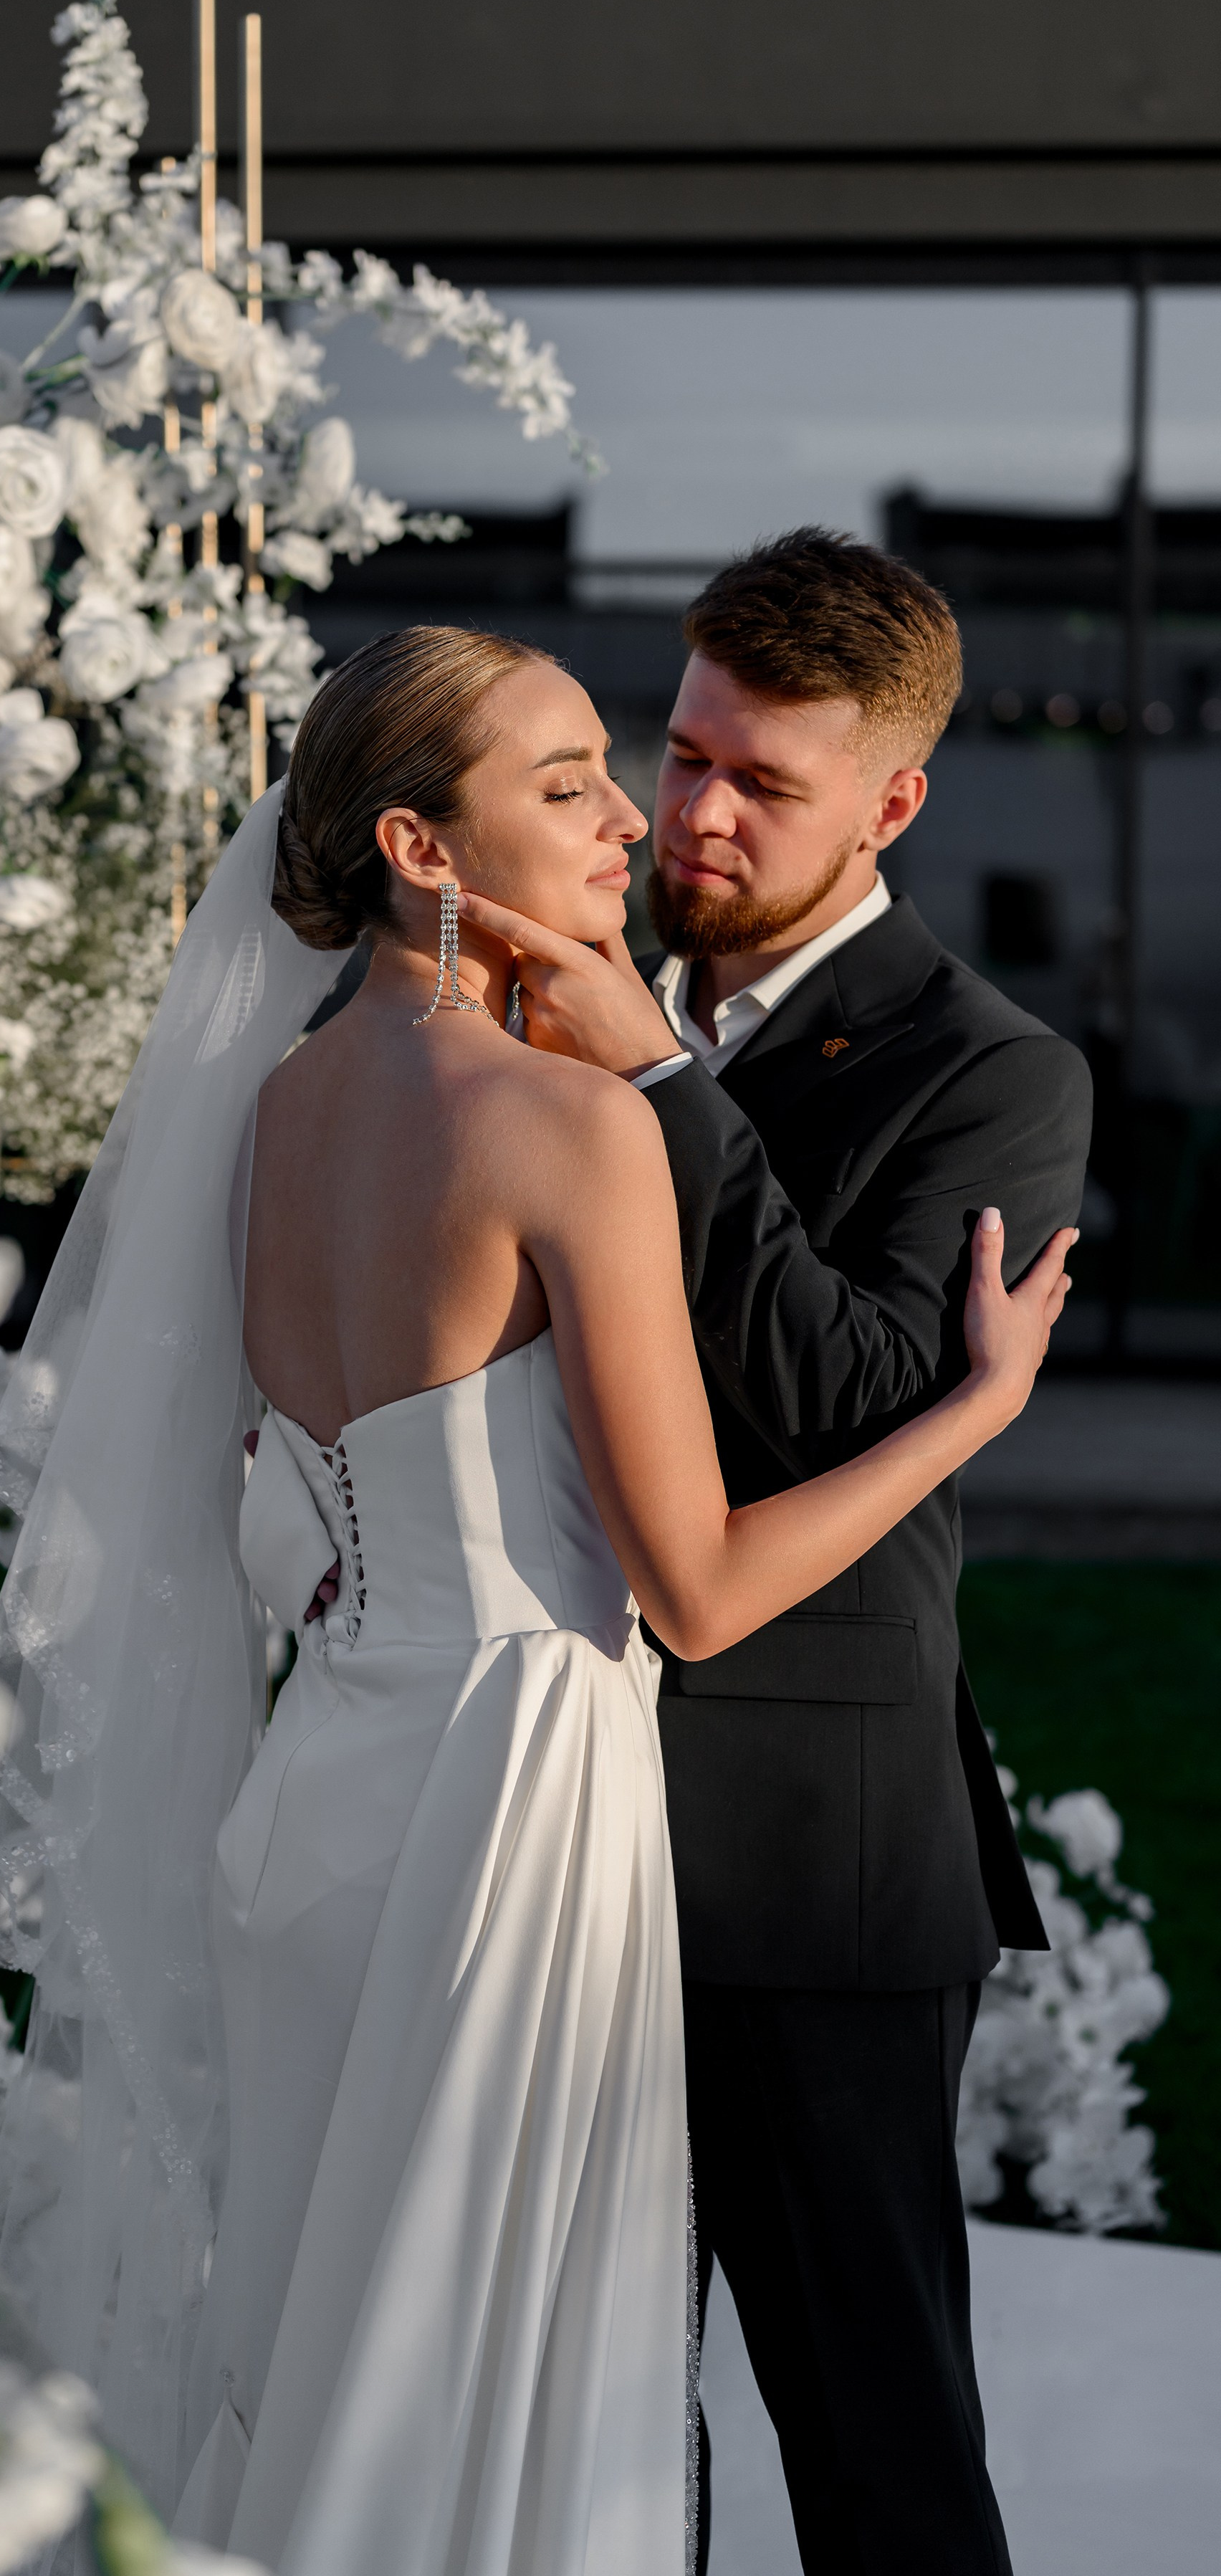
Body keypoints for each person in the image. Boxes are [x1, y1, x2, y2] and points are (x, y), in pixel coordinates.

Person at [0, 624, 1075, 2576]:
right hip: (514, 1796)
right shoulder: (572, 1117)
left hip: (327, 1793)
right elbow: (703, 1592)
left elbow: (285, 1498)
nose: (643, 814)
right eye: (577, 782)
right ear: (418, 842)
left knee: (337, 2358)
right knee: (507, 2398)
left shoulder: (281, 1107)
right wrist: (980, 1404)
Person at [456, 531, 1093, 2576]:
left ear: (894, 804)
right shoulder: (525, 993)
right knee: (601, 2461)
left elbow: (850, 1398)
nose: (698, 815)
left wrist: (651, 1072)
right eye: (689, 753)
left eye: (767, 784)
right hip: (544, 1826)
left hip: (812, 1866)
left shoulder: (993, 1072)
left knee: (878, 2458)